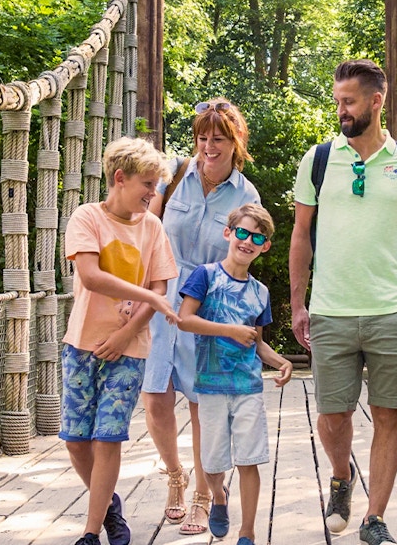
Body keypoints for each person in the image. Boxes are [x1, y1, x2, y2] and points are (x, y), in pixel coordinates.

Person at [289, 59, 397, 545]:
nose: (341, 111)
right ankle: (341, 477)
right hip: (330, 310)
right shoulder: (317, 160)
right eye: (337, 101)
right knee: (333, 415)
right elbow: (300, 235)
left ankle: (374, 517)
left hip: (390, 309)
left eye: (348, 101)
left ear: (377, 101)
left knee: (389, 414)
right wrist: (297, 303)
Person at [144, 97, 261, 535]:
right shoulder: (172, 174)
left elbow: (243, 256)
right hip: (161, 293)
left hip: (208, 304)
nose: (208, 147)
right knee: (155, 396)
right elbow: (146, 229)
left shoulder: (246, 195)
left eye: (218, 139)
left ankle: (203, 497)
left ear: (235, 143)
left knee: (200, 405)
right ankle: (176, 477)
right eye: (202, 137)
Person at [62, 136, 179, 545]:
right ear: (119, 178)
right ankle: (109, 505)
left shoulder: (152, 226)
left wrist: (128, 331)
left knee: (107, 436)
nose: (153, 192)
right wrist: (147, 294)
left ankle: (92, 533)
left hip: (130, 349)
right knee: (76, 442)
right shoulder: (87, 218)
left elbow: (161, 282)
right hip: (82, 343)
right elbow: (90, 276)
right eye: (147, 184)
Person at [173, 203, 293, 545]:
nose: (247, 241)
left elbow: (256, 342)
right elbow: (185, 319)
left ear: (265, 246)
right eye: (242, 232)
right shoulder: (205, 275)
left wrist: (279, 361)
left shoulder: (260, 292)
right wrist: (228, 330)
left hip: (248, 387)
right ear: (228, 233)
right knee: (212, 463)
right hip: (210, 385)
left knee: (249, 460)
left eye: (257, 237)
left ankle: (248, 533)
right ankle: (219, 498)